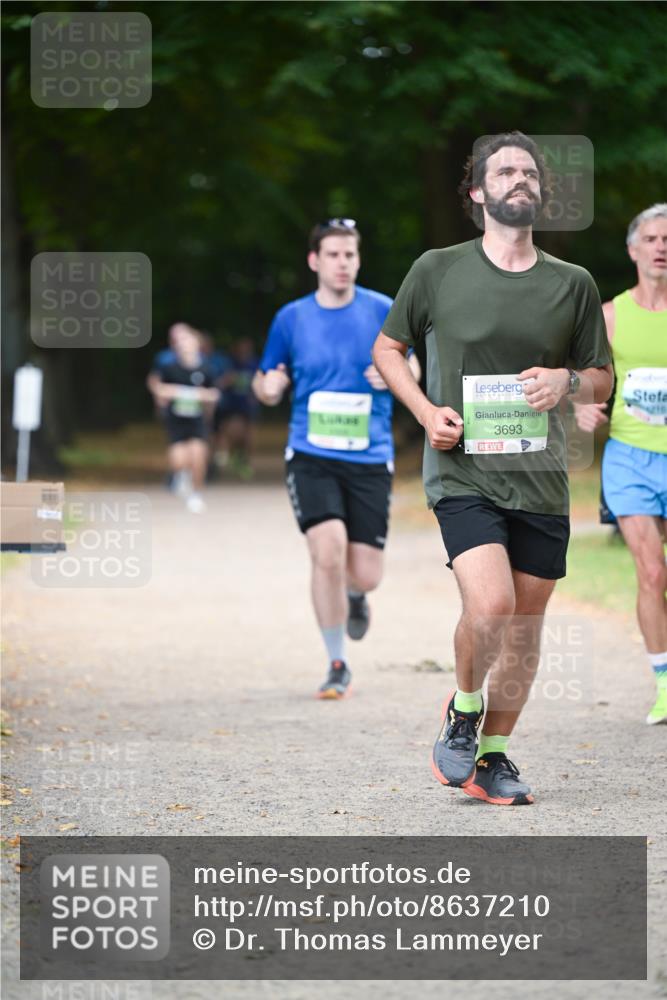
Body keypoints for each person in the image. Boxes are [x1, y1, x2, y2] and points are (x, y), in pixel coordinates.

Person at [373, 132, 613, 805]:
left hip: (540, 476)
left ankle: (493, 758)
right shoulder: (436, 269)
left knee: (527, 624)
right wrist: (423, 411)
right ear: (476, 193)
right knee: (492, 606)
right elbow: (388, 349)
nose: (519, 179)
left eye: (529, 172)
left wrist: (565, 383)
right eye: (504, 171)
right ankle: (463, 709)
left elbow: (601, 379)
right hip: (462, 471)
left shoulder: (572, 283)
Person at [253, 219, 420, 699]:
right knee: (326, 553)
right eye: (333, 255)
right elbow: (265, 378)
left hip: (370, 455)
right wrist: (269, 387)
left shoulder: (383, 310)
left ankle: (355, 595)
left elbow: (414, 366)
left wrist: (394, 373)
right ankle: (336, 661)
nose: (342, 263)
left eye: (350, 255)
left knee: (366, 572)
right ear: (314, 261)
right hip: (311, 453)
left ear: (358, 260)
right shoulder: (291, 317)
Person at [574, 204, 667, 725]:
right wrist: (582, 404)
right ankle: (663, 683)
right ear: (633, 250)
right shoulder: (610, 315)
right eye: (651, 238)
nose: (661, 246)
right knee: (651, 572)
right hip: (629, 459)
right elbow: (581, 376)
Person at [146, 324, 220, 513]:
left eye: (188, 341)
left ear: (197, 344)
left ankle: (196, 494)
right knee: (179, 459)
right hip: (176, 420)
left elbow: (213, 394)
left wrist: (203, 404)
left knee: (198, 456)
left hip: (197, 420)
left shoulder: (206, 368)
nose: (184, 345)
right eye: (181, 342)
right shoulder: (169, 367)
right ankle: (181, 475)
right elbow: (158, 387)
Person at [213, 336, 260, 479]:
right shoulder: (229, 364)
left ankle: (242, 459)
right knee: (231, 431)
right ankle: (228, 455)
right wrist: (228, 379)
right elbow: (218, 384)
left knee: (247, 436)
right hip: (232, 405)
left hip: (248, 405)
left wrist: (255, 394)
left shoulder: (255, 364)